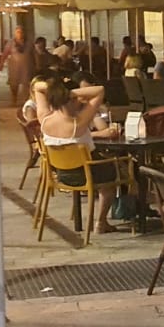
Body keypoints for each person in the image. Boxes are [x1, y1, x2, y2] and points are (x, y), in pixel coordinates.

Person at [40, 78, 125, 233]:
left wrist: (57, 93)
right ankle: (100, 222)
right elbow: (99, 90)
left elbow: (37, 88)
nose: (79, 102)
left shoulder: (44, 118)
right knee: (113, 175)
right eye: (75, 99)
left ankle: (99, 221)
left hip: (62, 175)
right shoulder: (78, 123)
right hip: (87, 174)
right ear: (69, 100)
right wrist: (68, 93)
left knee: (105, 169)